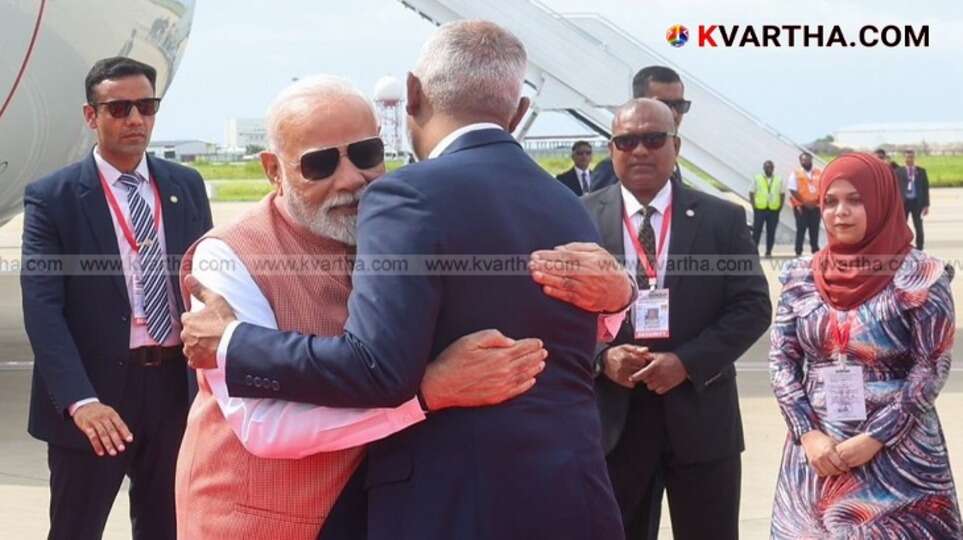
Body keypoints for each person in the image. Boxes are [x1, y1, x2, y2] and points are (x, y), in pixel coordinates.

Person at [180, 21, 632, 540]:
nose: (351, 179)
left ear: (411, 96)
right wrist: (426, 394)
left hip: (446, 506)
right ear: (272, 169)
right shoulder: (566, 203)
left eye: (368, 154)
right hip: (278, 522)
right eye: (320, 163)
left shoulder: (405, 208)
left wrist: (235, 343)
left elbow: (380, 368)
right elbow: (264, 425)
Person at [21, 57, 213, 540]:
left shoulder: (184, 186)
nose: (135, 119)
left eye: (146, 106)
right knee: (75, 529)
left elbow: (204, 278)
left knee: (167, 528)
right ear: (92, 116)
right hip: (96, 399)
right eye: (120, 107)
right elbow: (43, 309)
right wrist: (80, 400)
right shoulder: (53, 197)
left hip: (173, 390)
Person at [578, 98, 771, 540]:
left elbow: (752, 307)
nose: (640, 150)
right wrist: (602, 357)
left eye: (653, 139)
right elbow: (553, 313)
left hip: (702, 420)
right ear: (612, 149)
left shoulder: (722, 218)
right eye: (627, 140)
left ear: (676, 145)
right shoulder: (579, 217)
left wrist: (686, 363)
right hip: (614, 426)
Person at [769, 152, 960, 538]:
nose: (841, 212)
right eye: (831, 201)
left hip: (899, 457)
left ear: (882, 201)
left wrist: (876, 438)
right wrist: (808, 433)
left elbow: (931, 366)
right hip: (818, 454)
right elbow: (782, 361)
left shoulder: (921, 277)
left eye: (856, 200)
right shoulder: (800, 277)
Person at [591, 65, 691, 192]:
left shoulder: (670, 160)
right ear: (638, 103)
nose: (674, 113)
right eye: (663, 104)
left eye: (680, 105)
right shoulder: (613, 169)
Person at [787, 151, 822, 256]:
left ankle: (815, 251)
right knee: (801, 229)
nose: (805, 161)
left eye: (807, 159)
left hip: (816, 206)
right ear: (800, 161)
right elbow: (792, 190)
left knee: (814, 229)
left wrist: (815, 201)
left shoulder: (819, 172)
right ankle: (798, 252)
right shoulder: (795, 173)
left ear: (811, 160)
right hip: (801, 207)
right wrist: (805, 202)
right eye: (802, 160)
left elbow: (823, 187)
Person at [749, 160, 784, 257]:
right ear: (763, 168)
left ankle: (768, 251)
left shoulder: (778, 179)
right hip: (760, 209)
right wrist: (754, 206)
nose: (768, 169)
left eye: (770, 167)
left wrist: (779, 207)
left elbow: (782, 194)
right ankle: (753, 251)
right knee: (756, 231)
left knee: (771, 232)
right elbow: (751, 192)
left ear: (773, 168)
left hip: (773, 210)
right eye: (766, 167)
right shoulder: (757, 178)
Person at [896, 149, 930, 249]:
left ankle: (920, 247)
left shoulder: (921, 171)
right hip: (903, 203)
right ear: (904, 158)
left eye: (911, 157)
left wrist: (926, 205)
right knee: (901, 226)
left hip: (917, 203)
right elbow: (895, 189)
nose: (909, 159)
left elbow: (925, 188)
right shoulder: (898, 172)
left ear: (914, 158)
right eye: (907, 157)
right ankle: (901, 246)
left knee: (919, 226)